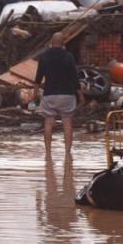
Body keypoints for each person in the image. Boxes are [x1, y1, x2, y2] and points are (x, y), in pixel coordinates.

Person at [33, 33, 85, 163]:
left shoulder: (44, 56)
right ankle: (67, 153)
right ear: (63, 43)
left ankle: (48, 154)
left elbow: (38, 77)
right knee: (67, 123)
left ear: (51, 41)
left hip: (49, 94)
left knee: (48, 122)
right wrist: (80, 94)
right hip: (66, 94)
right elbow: (74, 77)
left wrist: (34, 94)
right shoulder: (68, 57)